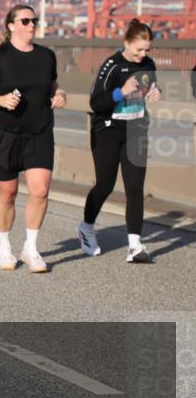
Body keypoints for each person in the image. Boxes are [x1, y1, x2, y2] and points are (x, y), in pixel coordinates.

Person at [0, 4, 66, 273]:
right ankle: (4, 247)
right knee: (7, 192)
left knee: (40, 190)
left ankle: (31, 248)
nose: (31, 25)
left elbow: (53, 85)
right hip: (4, 133)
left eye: (34, 20)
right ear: (11, 25)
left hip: (39, 131)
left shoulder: (46, 56)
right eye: (25, 21)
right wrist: (0, 99)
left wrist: (60, 94)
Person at [78, 19, 161, 263]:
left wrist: (157, 92)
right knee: (105, 184)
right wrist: (120, 93)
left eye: (147, 50)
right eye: (139, 49)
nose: (143, 55)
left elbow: (151, 86)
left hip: (136, 129)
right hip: (107, 129)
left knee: (135, 188)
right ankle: (86, 228)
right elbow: (95, 103)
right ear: (127, 43)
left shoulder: (149, 63)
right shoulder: (112, 65)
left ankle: (134, 245)